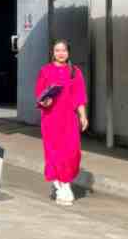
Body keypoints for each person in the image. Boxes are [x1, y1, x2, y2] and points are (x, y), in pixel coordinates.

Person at [35, 40, 89, 207]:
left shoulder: (75, 72)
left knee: (72, 152)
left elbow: (79, 96)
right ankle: (63, 184)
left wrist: (83, 116)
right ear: (53, 52)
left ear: (68, 52)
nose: (60, 53)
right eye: (57, 50)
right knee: (55, 153)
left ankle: (62, 182)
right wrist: (45, 101)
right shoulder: (45, 71)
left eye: (63, 50)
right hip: (51, 118)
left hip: (69, 119)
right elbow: (39, 95)